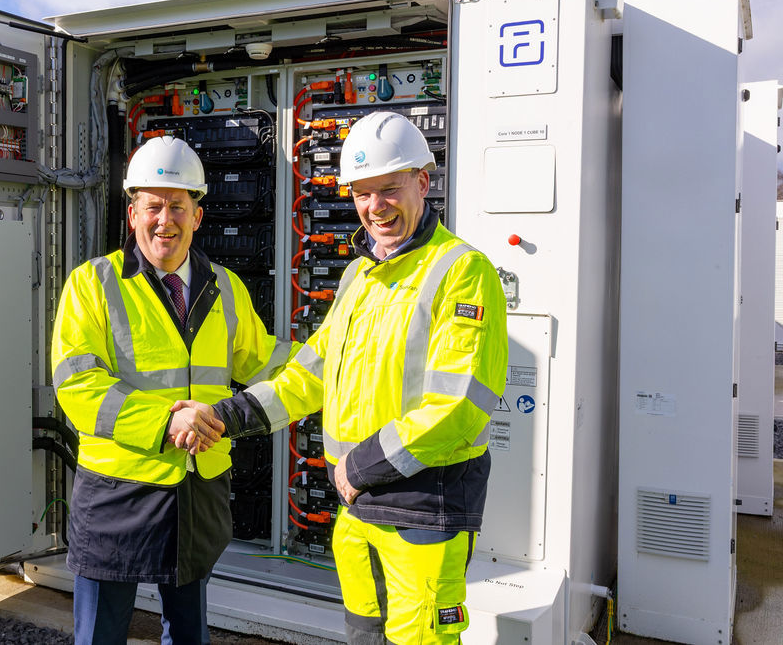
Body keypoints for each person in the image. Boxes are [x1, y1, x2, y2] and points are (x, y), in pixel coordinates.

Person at [174, 111, 508, 643]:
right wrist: (222, 416)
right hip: (358, 508)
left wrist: (359, 465)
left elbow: (458, 407)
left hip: (420, 510)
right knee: (364, 636)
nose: (374, 208)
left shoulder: (462, 272)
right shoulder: (359, 274)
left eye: (389, 189)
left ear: (423, 182)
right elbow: (308, 375)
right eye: (361, 194)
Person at [51, 135, 296, 645]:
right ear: (133, 213)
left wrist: (339, 358)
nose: (166, 220)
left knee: (188, 635)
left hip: (197, 489)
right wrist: (166, 421)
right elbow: (78, 385)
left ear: (198, 216)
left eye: (178, 206)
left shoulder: (224, 286)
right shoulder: (92, 284)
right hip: (119, 492)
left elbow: (265, 360)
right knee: (100, 636)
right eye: (153, 206)